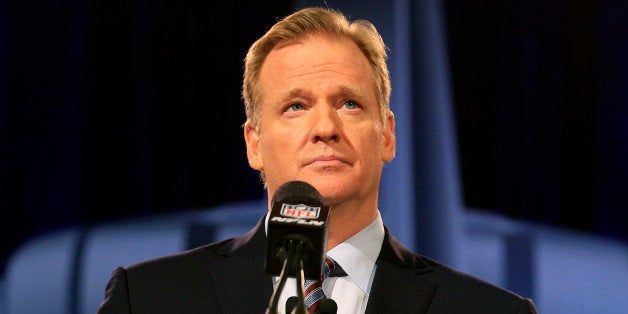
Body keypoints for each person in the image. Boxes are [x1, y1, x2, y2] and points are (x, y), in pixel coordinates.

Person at [97, 6, 537, 313]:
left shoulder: (489, 311)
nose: (325, 127)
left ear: (387, 135)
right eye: (295, 106)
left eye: (349, 104)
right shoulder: (150, 299)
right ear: (254, 144)